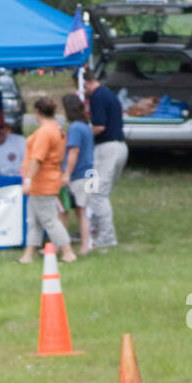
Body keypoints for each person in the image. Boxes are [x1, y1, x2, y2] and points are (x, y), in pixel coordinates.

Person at [18, 96, 77, 265]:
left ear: (37, 112)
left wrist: (28, 179)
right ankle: (29, 254)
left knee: (49, 220)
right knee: (34, 221)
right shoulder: (57, 129)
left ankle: (67, 252)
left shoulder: (45, 132)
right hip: (48, 180)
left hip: (42, 182)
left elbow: (37, 158)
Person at [81, 67, 127, 249]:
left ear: (85, 83)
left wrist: (83, 135)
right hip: (119, 147)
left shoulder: (97, 97)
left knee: (97, 194)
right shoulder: (108, 94)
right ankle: (94, 229)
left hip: (106, 148)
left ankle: (107, 237)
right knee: (98, 192)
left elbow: (99, 126)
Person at [60, 92, 95, 255]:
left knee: (81, 212)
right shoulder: (86, 126)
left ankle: (84, 246)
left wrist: (66, 173)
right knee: (84, 211)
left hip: (79, 175)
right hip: (90, 173)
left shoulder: (74, 128)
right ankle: (86, 244)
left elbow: (73, 152)